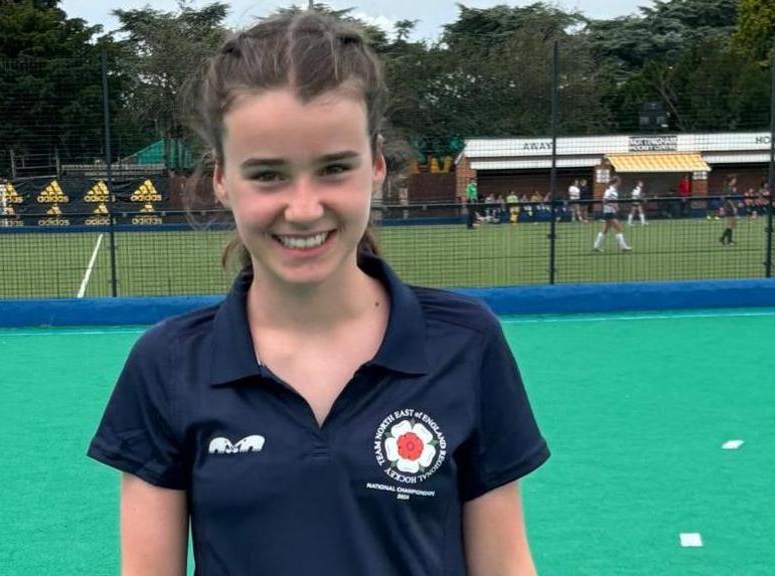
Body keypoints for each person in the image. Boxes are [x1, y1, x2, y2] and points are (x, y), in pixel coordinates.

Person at [87, 12, 549, 576]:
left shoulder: (466, 342)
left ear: (376, 164)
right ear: (221, 180)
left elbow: (504, 565)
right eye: (267, 175)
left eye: (333, 168)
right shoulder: (166, 365)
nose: (303, 208)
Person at [594, 176, 632, 252]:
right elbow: (605, 200)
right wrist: (614, 206)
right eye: (619, 182)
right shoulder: (610, 190)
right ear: (616, 182)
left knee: (605, 229)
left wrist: (615, 206)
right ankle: (623, 247)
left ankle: (596, 246)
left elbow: (610, 200)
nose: (620, 183)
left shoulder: (612, 189)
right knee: (618, 228)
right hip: (609, 212)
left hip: (609, 211)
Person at [720, 176, 739, 245]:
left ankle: (726, 240)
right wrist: (733, 207)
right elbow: (728, 199)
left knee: (732, 225)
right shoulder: (728, 188)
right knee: (730, 225)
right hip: (729, 208)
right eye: (734, 180)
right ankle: (725, 240)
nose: (735, 181)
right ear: (731, 180)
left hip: (731, 208)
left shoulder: (732, 188)